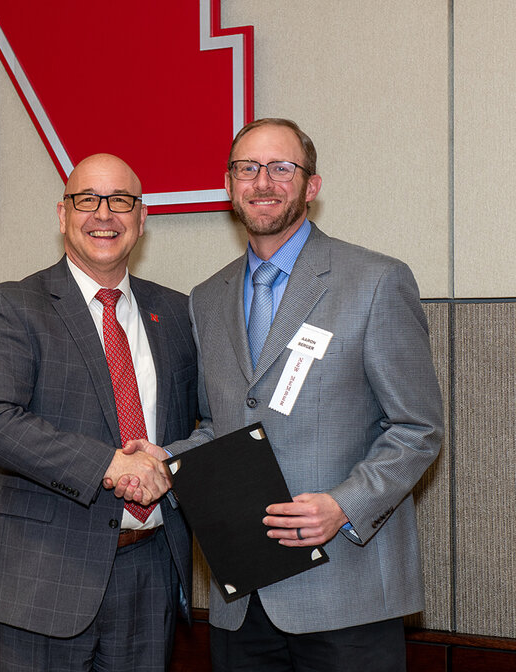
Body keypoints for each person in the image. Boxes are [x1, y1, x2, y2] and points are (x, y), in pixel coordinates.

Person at [123, 119, 444, 671]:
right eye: (247, 168)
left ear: (311, 186)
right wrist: (168, 460)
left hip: (346, 592)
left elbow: (417, 428)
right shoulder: (207, 297)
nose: (263, 182)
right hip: (242, 599)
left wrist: (344, 506)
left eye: (281, 168)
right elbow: (215, 424)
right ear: (229, 185)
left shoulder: (374, 281)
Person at [0, 153, 198, 672]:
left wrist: (169, 460)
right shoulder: (14, 306)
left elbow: (211, 422)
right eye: (86, 200)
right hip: (41, 578)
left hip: (150, 572)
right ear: (62, 214)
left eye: (121, 201)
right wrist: (111, 464)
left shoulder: (178, 313)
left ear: (142, 217)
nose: (103, 214)